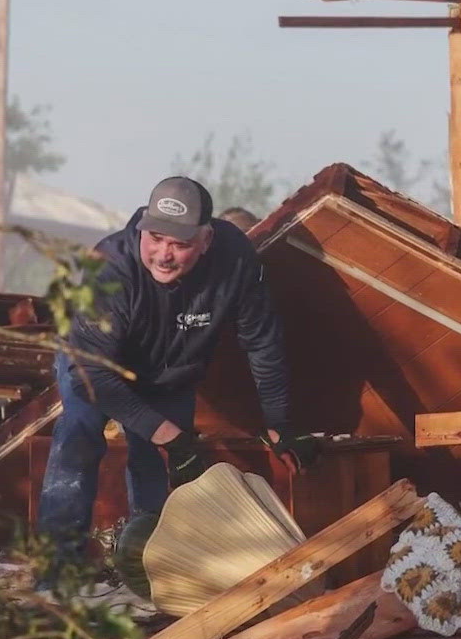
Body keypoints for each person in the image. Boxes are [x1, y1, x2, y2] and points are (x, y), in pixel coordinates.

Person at [36, 177, 314, 575]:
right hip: (95, 365)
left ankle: (150, 571)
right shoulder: (110, 264)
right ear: (142, 229)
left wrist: (279, 423)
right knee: (78, 437)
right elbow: (91, 374)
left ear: (206, 239)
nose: (163, 255)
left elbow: (262, 342)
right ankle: (57, 571)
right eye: (156, 240)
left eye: (179, 245)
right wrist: (166, 432)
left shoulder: (236, 260)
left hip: (172, 370)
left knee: (158, 464)